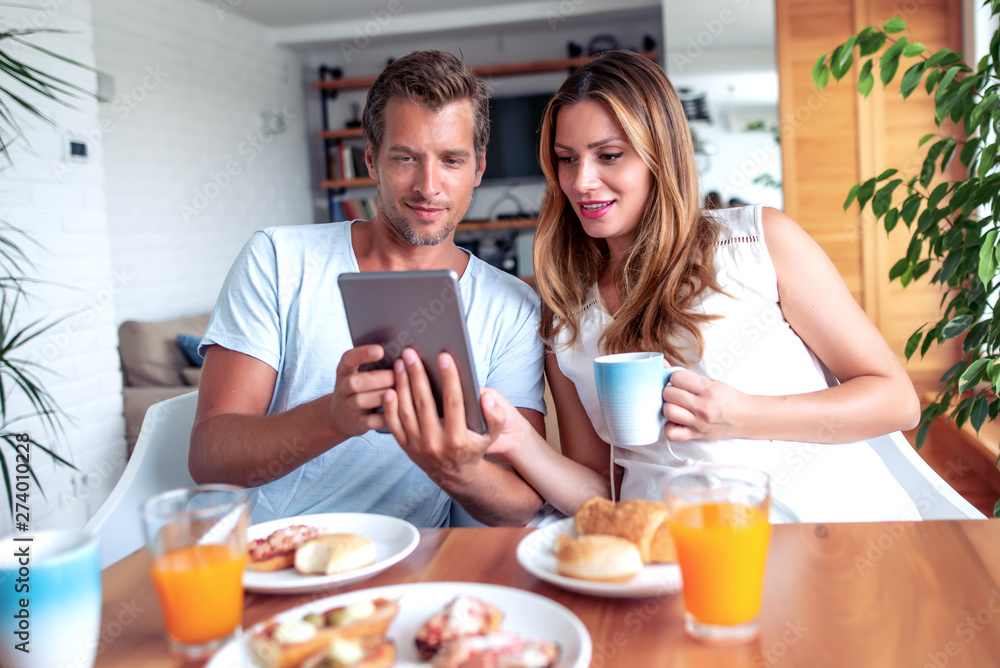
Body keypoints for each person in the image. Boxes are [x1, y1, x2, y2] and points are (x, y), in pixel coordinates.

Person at [390, 50, 922, 523]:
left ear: (658, 154)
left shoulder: (758, 243)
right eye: (567, 159)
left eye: (610, 154)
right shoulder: (567, 317)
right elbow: (604, 494)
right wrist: (522, 442)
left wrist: (744, 415)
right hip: (676, 562)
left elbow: (896, 399)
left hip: (825, 535)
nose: (581, 181)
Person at [188, 50, 547, 528]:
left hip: (409, 566)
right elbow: (210, 457)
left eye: (451, 160)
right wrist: (331, 418)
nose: (428, 186)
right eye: (405, 158)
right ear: (371, 160)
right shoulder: (278, 259)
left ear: (478, 169)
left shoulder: (514, 307)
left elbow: (523, 502)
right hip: (267, 554)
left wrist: (456, 470)